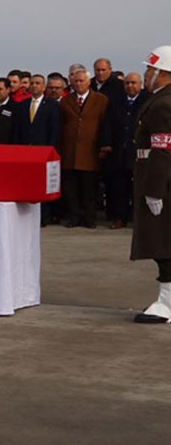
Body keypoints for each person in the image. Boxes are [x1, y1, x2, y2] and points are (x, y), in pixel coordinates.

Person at [132, 46, 171, 322]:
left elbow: (163, 149)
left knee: (162, 242)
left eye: (150, 69)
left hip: (162, 182)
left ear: (162, 73)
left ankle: (167, 303)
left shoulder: (163, 104)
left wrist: (154, 190)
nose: (146, 74)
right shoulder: (159, 100)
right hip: (159, 176)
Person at [58, 65, 111, 228]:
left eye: (82, 81)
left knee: (89, 188)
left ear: (88, 82)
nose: (78, 84)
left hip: (90, 151)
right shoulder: (66, 100)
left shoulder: (101, 100)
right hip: (70, 151)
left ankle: (89, 217)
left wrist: (104, 146)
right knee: (71, 188)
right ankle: (75, 216)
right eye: (76, 81)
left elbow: (105, 124)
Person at [107, 72, 149, 229]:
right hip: (119, 151)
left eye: (133, 83)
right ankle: (119, 217)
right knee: (119, 187)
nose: (130, 86)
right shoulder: (116, 102)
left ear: (140, 85)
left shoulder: (147, 101)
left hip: (138, 152)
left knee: (138, 187)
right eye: (127, 83)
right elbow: (108, 124)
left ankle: (138, 218)